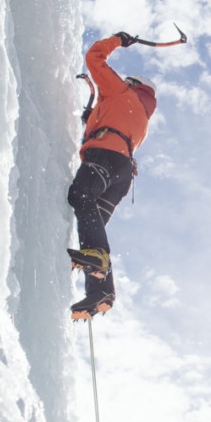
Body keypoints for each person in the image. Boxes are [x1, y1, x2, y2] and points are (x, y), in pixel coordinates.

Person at [67, 31, 158, 320]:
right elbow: (113, 121)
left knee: (80, 196)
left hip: (104, 158)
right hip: (122, 174)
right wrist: (91, 119)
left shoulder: (121, 92)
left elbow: (95, 57)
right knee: (91, 226)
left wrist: (119, 40)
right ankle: (101, 292)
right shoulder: (142, 119)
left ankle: (99, 276)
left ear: (132, 84)